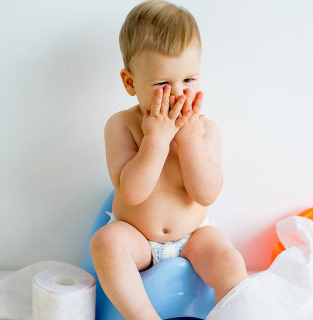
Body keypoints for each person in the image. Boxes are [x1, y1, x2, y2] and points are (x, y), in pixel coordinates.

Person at [89, 1, 248, 319]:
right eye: (163, 84)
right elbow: (132, 193)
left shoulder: (206, 131)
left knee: (230, 260)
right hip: (137, 239)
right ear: (130, 82)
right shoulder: (121, 126)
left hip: (193, 238)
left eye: (189, 80)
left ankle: (238, 313)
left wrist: (190, 141)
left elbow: (206, 194)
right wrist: (156, 140)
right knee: (105, 244)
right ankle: (143, 316)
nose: (178, 94)